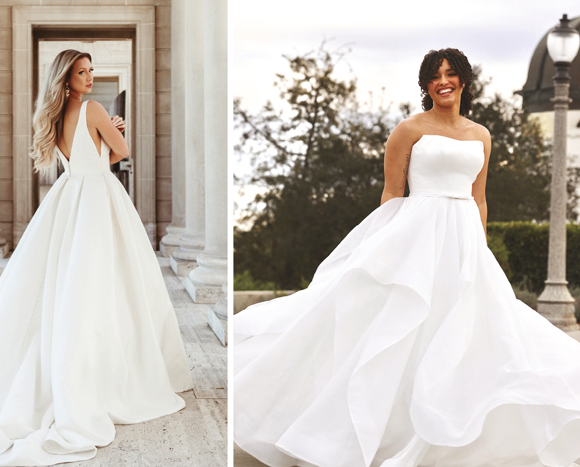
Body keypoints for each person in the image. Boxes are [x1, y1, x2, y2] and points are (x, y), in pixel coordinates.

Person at [233, 48, 580, 467]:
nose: (443, 80)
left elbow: (479, 198)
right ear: (426, 85)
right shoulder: (408, 129)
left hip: (463, 241)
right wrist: (382, 246)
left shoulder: (481, 134)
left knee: (466, 330)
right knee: (396, 325)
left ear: (464, 81)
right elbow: (392, 194)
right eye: (435, 75)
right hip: (416, 233)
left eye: (451, 73)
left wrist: (479, 250)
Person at [0, 49, 192, 466]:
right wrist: (114, 128)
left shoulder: (53, 118)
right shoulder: (94, 108)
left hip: (68, 197)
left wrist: (102, 134)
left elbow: (84, 153)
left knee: (67, 280)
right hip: (97, 196)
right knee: (108, 280)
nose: (90, 77)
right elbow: (121, 153)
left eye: (91, 70)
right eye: (82, 72)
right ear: (66, 79)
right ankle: (110, 371)